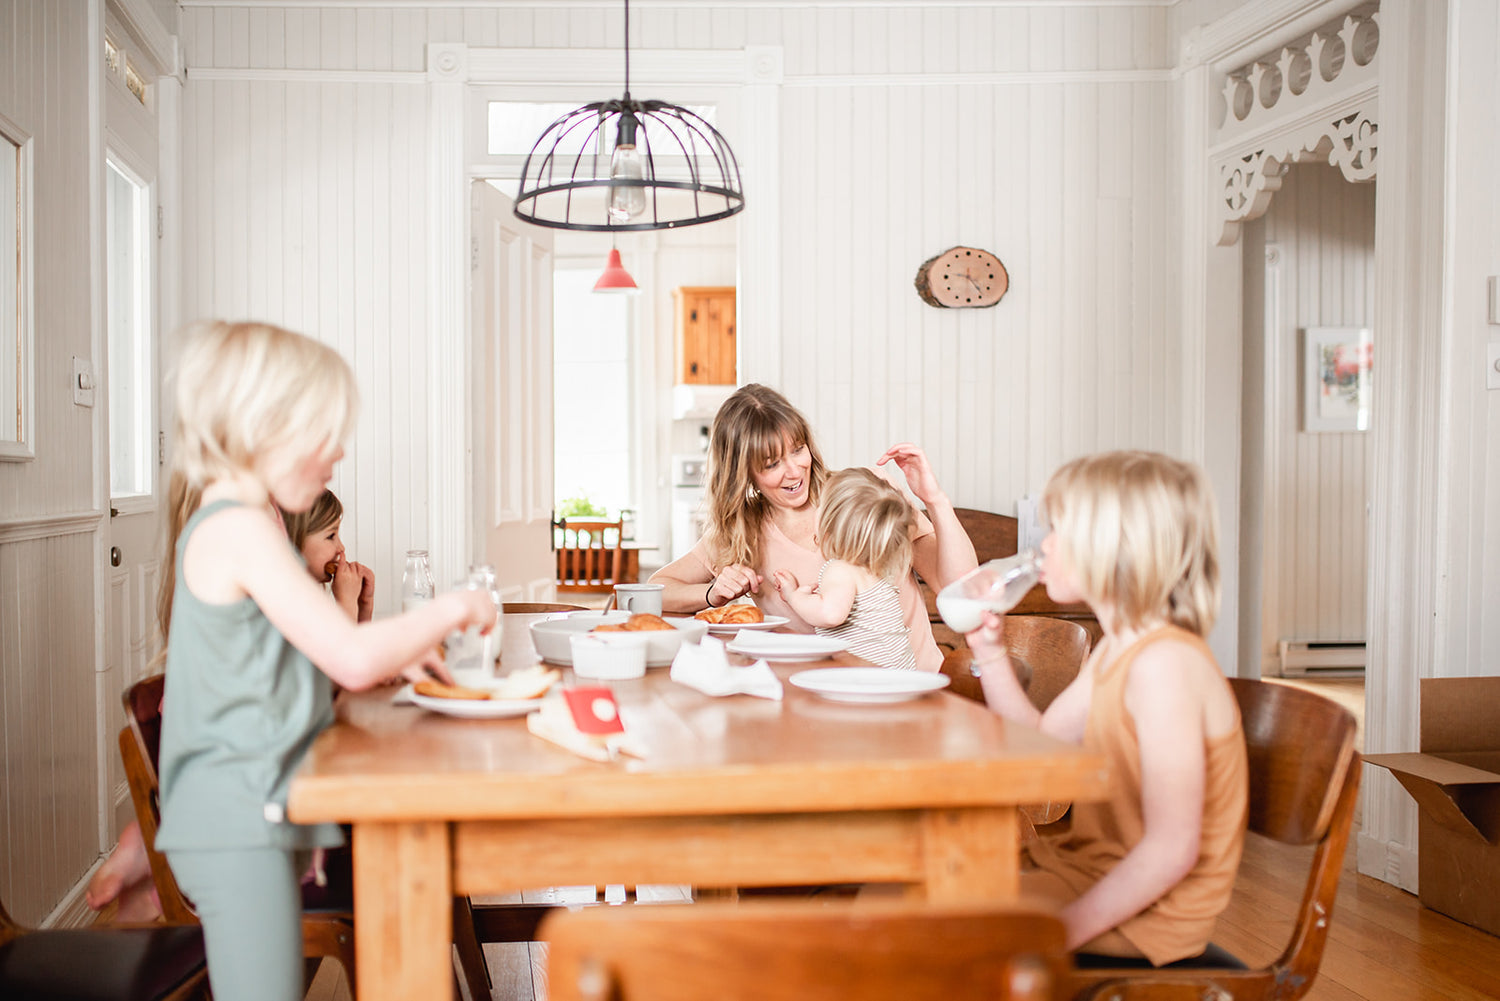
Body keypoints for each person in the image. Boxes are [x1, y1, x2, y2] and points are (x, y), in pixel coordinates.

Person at [151, 320, 494, 1001]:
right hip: (234, 819)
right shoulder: (238, 527)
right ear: (264, 427)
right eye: (324, 431)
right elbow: (352, 659)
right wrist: (456, 606)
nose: (337, 450)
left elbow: (297, 666)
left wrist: (403, 649)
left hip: (251, 810)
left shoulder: (247, 523)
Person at [964, 450, 1247, 963]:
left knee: (922, 934)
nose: (1044, 545)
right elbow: (1042, 747)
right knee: (902, 906)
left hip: (1147, 922)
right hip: (1087, 875)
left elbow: (1171, 850)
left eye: (1059, 530)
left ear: (1114, 548)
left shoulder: (1164, 665)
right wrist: (989, 650)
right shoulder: (1122, 647)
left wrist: (1061, 933)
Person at [650, 384, 976, 673]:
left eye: (797, 449)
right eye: (772, 463)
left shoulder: (862, 494)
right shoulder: (739, 533)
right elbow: (655, 591)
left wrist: (935, 500)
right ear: (742, 472)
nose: (794, 470)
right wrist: (712, 593)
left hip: (915, 689)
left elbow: (962, 589)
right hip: (827, 696)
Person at [770, 467, 917, 670]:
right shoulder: (877, 569)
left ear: (829, 525)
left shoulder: (840, 569)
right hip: (901, 673)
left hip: (869, 679)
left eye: (820, 505)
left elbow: (830, 614)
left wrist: (794, 596)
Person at [281, 489, 374, 622]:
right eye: (331, 536)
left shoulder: (314, 602)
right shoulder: (285, 607)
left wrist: (364, 606)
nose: (341, 548)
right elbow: (344, 636)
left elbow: (357, 636)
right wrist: (347, 603)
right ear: (294, 542)